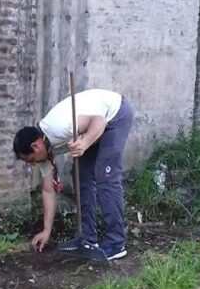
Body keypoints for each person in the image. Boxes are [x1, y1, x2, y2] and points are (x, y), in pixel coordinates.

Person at [13, 88, 135, 261]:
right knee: (81, 176)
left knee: (106, 176)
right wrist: (46, 231)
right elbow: (48, 191)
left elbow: (99, 121)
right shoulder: (44, 151)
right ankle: (87, 238)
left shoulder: (60, 127)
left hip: (114, 115)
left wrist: (84, 143)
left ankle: (116, 244)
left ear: (35, 146)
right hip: (92, 127)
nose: (33, 164)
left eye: (30, 160)